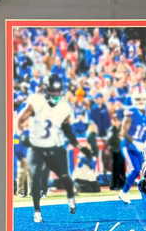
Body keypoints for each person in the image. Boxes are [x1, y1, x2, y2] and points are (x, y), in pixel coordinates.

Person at [16, 73, 93, 222]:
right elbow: (19, 121)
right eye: (54, 90)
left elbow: (68, 131)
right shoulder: (36, 103)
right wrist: (20, 135)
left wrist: (79, 146)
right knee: (36, 176)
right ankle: (37, 211)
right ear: (46, 89)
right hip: (36, 146)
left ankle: (70, 197)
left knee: (65, 177)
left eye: (59, 90)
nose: (56, 94)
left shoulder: (63, 108)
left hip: (54, 147)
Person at [117, 86, 146, 203]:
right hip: (128, 146)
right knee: (136, 170)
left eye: (142, 99)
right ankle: (124, 192)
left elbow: (145, 130)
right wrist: (134, 142)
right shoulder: (131, 112)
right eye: (138, 99)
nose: (140, 101)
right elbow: (123, 131)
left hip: (140, 146)